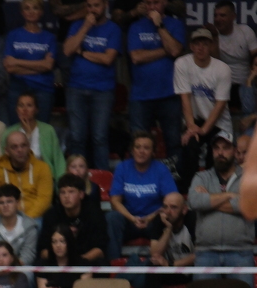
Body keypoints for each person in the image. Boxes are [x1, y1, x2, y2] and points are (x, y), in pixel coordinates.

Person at [188, 134, 247, 288]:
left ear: (234, 151)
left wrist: (211, 199)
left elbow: (249, 205)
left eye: (225, 148)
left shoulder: (249, 176)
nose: (220, 152)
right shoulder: (201, 177)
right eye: (216, 148)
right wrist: (230, 197)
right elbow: (194, 201)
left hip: (240, 251)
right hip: (206, 252)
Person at [63, 0, 121, 170]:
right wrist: (86, 27)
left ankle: (102, 179)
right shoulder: (77, 26)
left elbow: (107, 59)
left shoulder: (113, 29)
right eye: (89, 6)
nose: (92, 9)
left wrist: (82, 52)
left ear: (105, 5)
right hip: (76, 87)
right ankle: (77, 177)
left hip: (103, 90)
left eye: (96, 5)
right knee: (77, 137)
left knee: (99, 138)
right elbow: (67, 50)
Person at [125, 0, 186, 159]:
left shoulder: (175, 24)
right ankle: (141, 175)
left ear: (164, 3)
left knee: (173, 142)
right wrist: (165, 50)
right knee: (139, 144)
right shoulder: (136, 26)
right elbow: (136, 57)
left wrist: (159, 25)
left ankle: (174, 175)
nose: (152, 7)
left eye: (156, 3)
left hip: (169, 94)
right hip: (141, 95)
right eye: (149, 3)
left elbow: (175, 50)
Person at [108, 130, 178, 260]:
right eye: (138, 147)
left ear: (153, 152)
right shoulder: (122, 168)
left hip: (153, 221)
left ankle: (157, 262)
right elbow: (115, 201)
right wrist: (132, 218)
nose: (141, 151)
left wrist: (150, 218)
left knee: (165, 217)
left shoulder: (161, 169)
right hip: (129, 221)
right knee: (112, 217)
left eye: (146, 148)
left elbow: (172, 200)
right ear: (132, 150)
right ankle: (113, 263)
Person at [175, 27, 233, 182]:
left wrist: (204, 130)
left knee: (215, 157)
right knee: (189, 146)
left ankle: (214, 189)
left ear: (211, 46)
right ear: (191, 46)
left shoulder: (222, 69)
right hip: (195, 120)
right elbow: (185, 97)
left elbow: (220, 105)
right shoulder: (182, 63)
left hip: (218, 122)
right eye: (197, 44)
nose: (200, 48)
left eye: (205, 44)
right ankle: (190, 188)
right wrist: (191, 127)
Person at [3, 0, 57, 125]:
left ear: (41, 11)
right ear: (22, 12)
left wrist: (17, 61)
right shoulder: (13, 35)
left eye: (35, 8)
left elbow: (48, 65)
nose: (31, 11)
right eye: (27, 8)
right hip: (17, 87)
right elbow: (9, 67)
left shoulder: (49, 37)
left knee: (41, 130)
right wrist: (40, 66)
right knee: (16, 130)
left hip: (43, 88)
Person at [143, 189, 194, 288]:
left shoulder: (193, 219)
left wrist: (171, 264)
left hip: (191, 269)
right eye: (165, 207)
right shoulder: (160, 220)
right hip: (170, 270)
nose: (167, 212)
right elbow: (155, 254)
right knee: (152, 268)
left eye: (173, 207)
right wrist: (168, 229)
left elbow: (200, 254)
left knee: (205, 267)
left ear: (184, 210)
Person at [0, 91, 65, 181]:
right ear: (16, 109)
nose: (25, 109)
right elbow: (5, 161)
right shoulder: (9, 133)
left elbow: (58, 160)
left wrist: (62, 183)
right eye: (21, 105)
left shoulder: (48, 130)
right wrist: (27, 135)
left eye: (29, 105)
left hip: (44, 176)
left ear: (36, 109)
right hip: (17, 177)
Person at [37, 173, 108, 260]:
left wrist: (79, 262)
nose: (66, 196)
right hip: (58, 261)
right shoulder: (51, 215)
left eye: (71, 192)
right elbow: (43, 250)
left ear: (81, 194)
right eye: (62, 192)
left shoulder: (94, 213)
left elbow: (100, 248)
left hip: (86, 260)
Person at [213, 0, 257, 118]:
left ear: (233, 17)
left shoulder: (245, 31)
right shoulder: (212, 35)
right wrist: (214, 37)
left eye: (222, 15)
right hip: (222, 85)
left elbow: (255, 57)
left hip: (245, 84)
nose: (218, 19)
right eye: (216, 15)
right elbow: (213, 62)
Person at [0, 183, 41, 261]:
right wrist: (0, 265)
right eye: (1, 203)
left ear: (17, 203)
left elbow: (28, 255)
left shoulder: (29, 226)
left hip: (21, 267)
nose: (5, 205)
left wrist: (13, 267)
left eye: (9, 202)